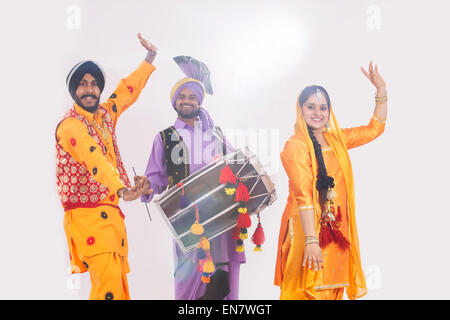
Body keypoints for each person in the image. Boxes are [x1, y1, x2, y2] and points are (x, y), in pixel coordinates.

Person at [55, 33, 157, 300]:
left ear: (99, 88)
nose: (89, 89)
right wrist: (123, 190)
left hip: (111, 215)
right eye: (82, 85)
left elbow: (127, 91)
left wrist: (149, 59)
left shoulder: (104, 114)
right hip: (87, 218)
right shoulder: (70, 125)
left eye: (93, 84)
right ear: (73, 90)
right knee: (109, 287)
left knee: (118, 289)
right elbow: (94, 159)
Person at [274, 62, 387, 300]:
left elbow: (373, 130)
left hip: (335, 231)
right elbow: (303, 194)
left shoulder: (336, 139)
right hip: (306, 233)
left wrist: (381, 91)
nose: (318, 112)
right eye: (311, 107)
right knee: (306, 290)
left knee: (332, 289)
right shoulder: (296, 146)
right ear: (300, 110)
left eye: (323, 107)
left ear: (329, 111)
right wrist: (311, 241)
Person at [141, 56, 245, 300]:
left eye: (192, 97)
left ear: (199, 101)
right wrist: (145, 187)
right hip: (189, 222)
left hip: (222, 219)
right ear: (174, 101)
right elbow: (155, 178)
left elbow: (236, 165)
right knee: (189, 281)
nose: (186, 101)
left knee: (223, 281)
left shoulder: (215, 134)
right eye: (182, 96)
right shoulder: (165, 137)